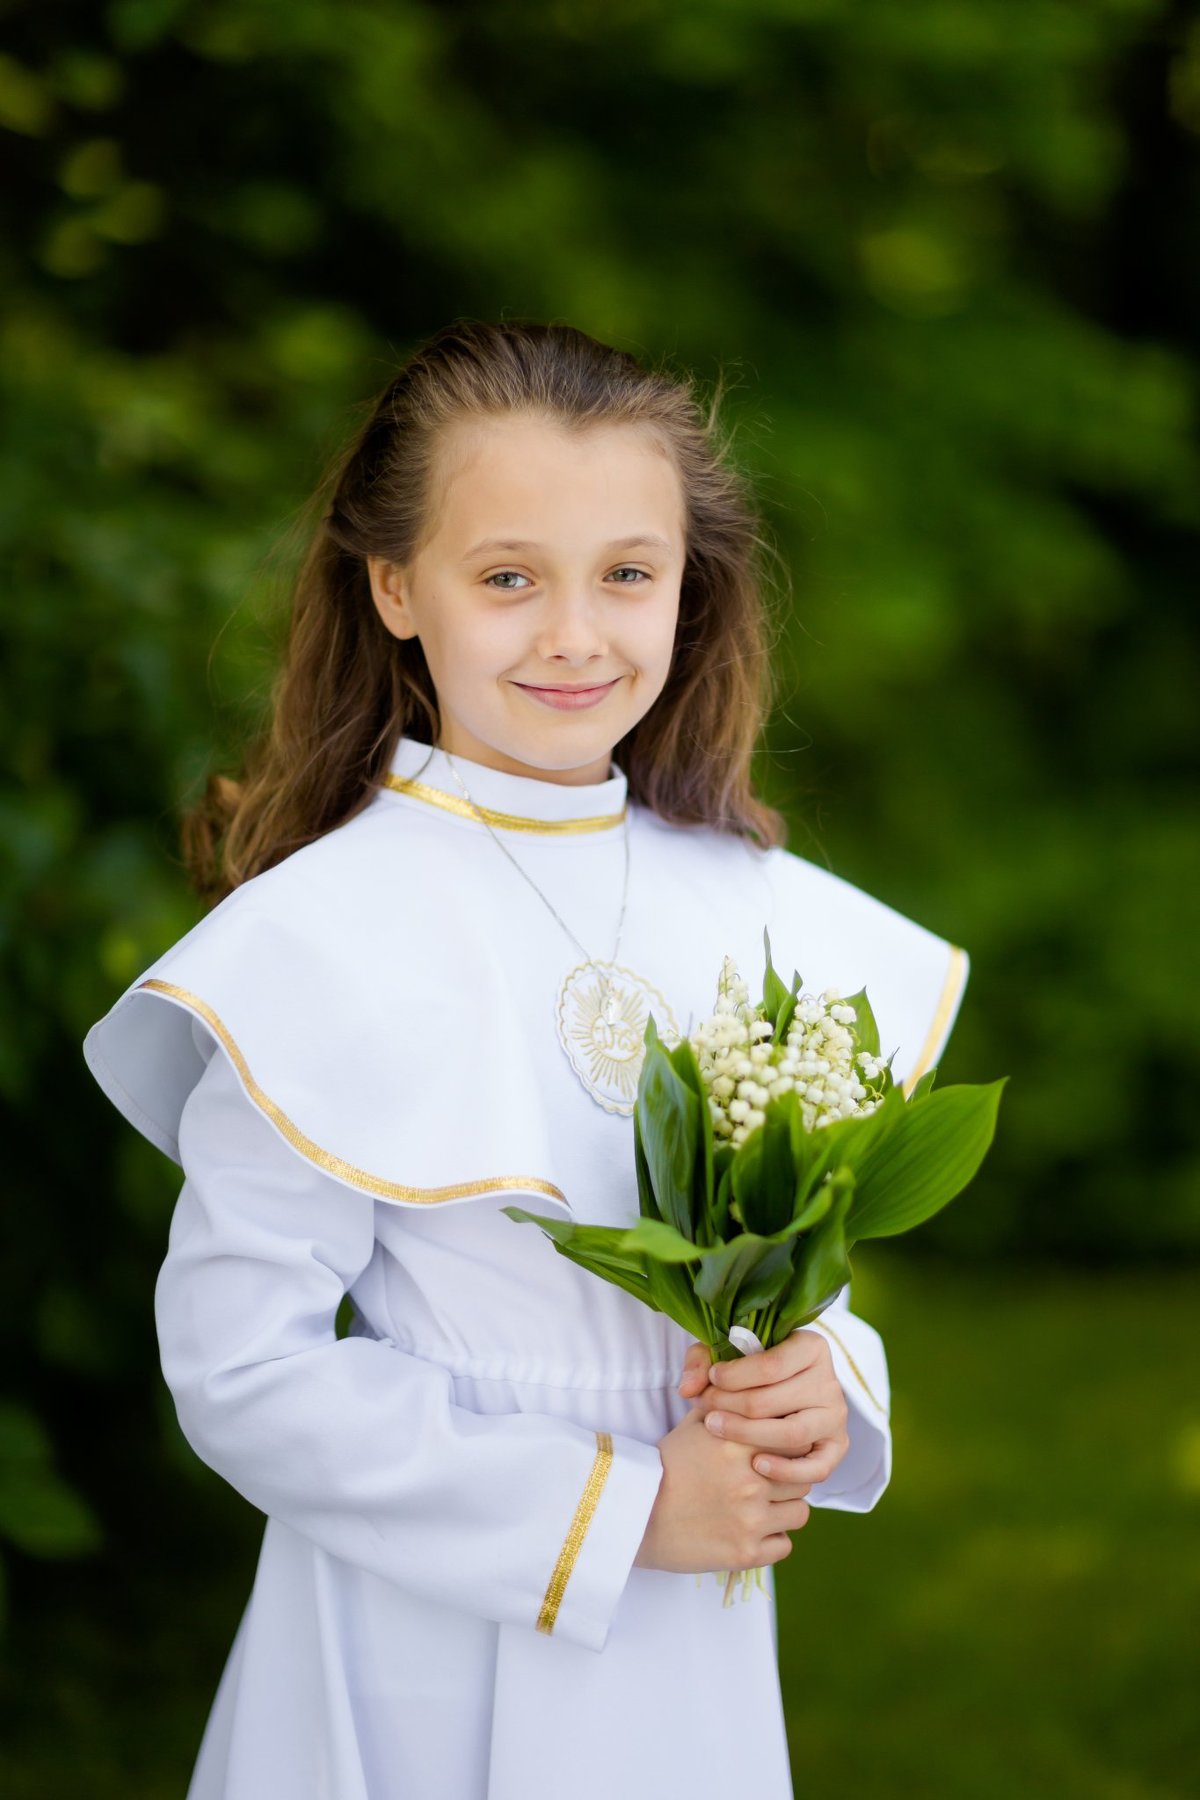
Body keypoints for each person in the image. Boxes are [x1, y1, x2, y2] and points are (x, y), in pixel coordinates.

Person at [82, 319, 970, 1800]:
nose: (575, 633)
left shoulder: (752, 902)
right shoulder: (316, 940)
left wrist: (825, 1381)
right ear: (394, 589)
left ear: (691, 589)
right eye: (509, 578)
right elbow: (244, 1370)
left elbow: (794, 1267)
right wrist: (613, 1513)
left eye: (628, 573)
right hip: (428, 1624)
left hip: (690, 1636)